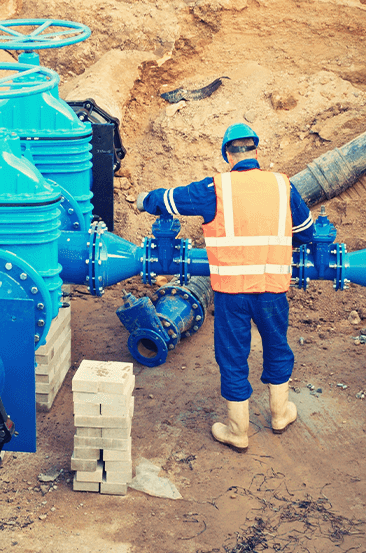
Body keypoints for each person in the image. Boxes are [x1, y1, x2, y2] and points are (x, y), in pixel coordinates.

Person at [134, 123, 314, 452]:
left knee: (232, 355)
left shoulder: (215, 188)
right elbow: (305, 231)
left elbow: (171, 200)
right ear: (256, 152)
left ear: (226, 154)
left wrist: (147, 200)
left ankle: (237, 430)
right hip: (272, 289)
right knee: (277, 345)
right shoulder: (281, 185)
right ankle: (279, 414)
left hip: (232, 294)